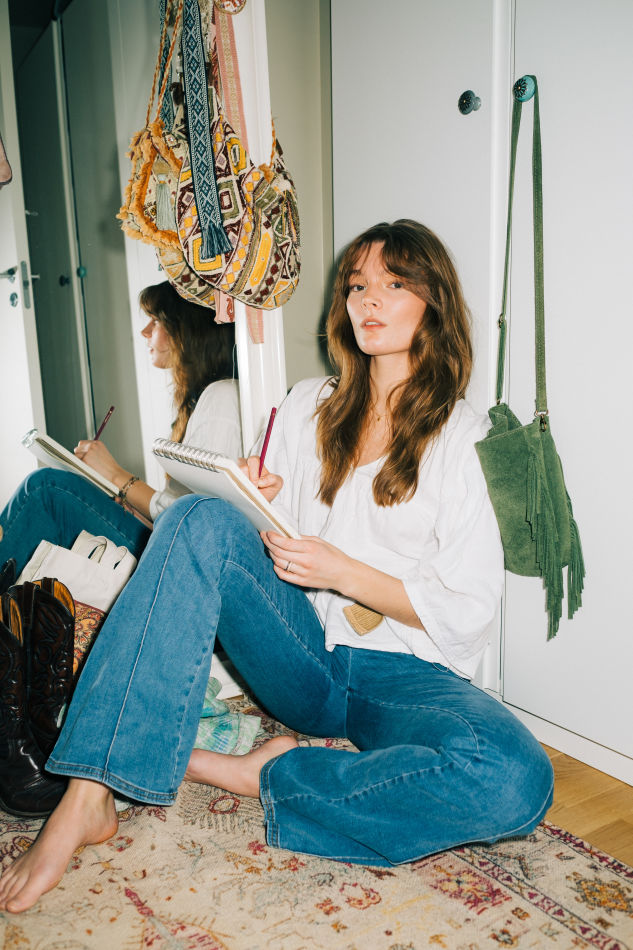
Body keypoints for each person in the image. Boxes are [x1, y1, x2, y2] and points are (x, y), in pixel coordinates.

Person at [0, 219, 554, 914]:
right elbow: (267, 550)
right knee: (199, 518)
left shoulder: (464, 435)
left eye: (393, 284)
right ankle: (89, 793)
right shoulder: (304, 407)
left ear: (433, 302)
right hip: (303, 655)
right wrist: (254, 503)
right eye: (357, 285)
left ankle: (255, 775)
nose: (368, 300)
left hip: (404, 674)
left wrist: (343, 571)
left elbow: (468, 609)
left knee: (514, 779)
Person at [0, 281, 241, 578]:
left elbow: (194, 518)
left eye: (155, 321)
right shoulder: (201, 400)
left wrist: (116, 475)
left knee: (45, 489)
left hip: (178, 558)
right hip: (165, 538)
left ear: (186, 331)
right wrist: (133, 507)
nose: (144, 332)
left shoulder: (222, 397)